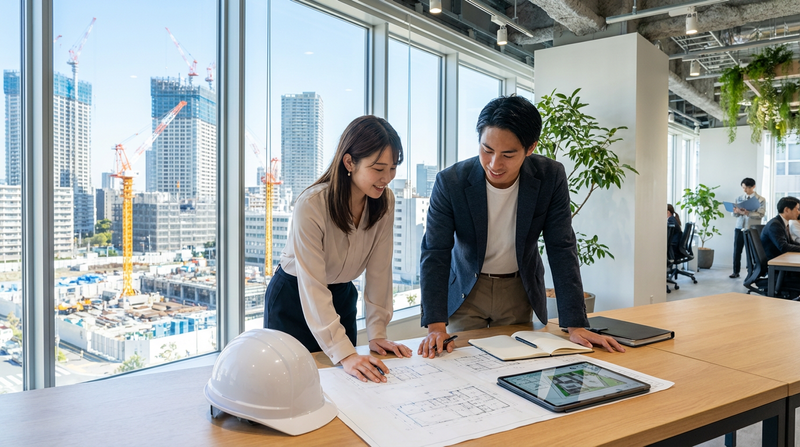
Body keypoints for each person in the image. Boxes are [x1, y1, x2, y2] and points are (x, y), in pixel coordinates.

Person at [417, 95, 624, 359]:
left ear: (530, 148)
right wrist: (435, 324)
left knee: (519, 367)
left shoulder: (550, 176)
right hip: (465, 290)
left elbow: (561, 247)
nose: (494, 164)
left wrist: (576, 324)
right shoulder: (451, 182)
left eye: (508, 154)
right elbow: (435, 251)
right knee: (462, 365)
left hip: (519, 290)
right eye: (487, 150)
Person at [263, 115, 412, 383]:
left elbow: (380, 271)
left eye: (392, 168)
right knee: (290, 384)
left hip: (342, 296)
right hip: (294, 297)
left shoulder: (384, 201)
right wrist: (345, 353)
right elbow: (313, 286)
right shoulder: (311, 204)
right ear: (349, 162)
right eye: (379, 169)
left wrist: (378, 334)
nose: (387, 178)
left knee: (345, 384)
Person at [730, 178, 766, 278]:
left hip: (752, 229)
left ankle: (754, 272)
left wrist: (747, 213)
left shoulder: (761, 199)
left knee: (753, 251)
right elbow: (735, 215)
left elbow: (761, 214)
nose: (745, 190)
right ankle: (735, 271)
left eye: (746, 188)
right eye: (743, 188)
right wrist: (735, 212)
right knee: (737, 250)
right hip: (739, 227)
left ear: (753, 187)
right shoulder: (739, 198)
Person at [760, 196, 800, 261]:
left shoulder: (782, 222)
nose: (799, 212)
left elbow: (790, 242)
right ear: (786, 210)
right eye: (797, 209)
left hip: (782, 258)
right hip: (775, 262)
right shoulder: (775, 224)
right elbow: (783, 247)